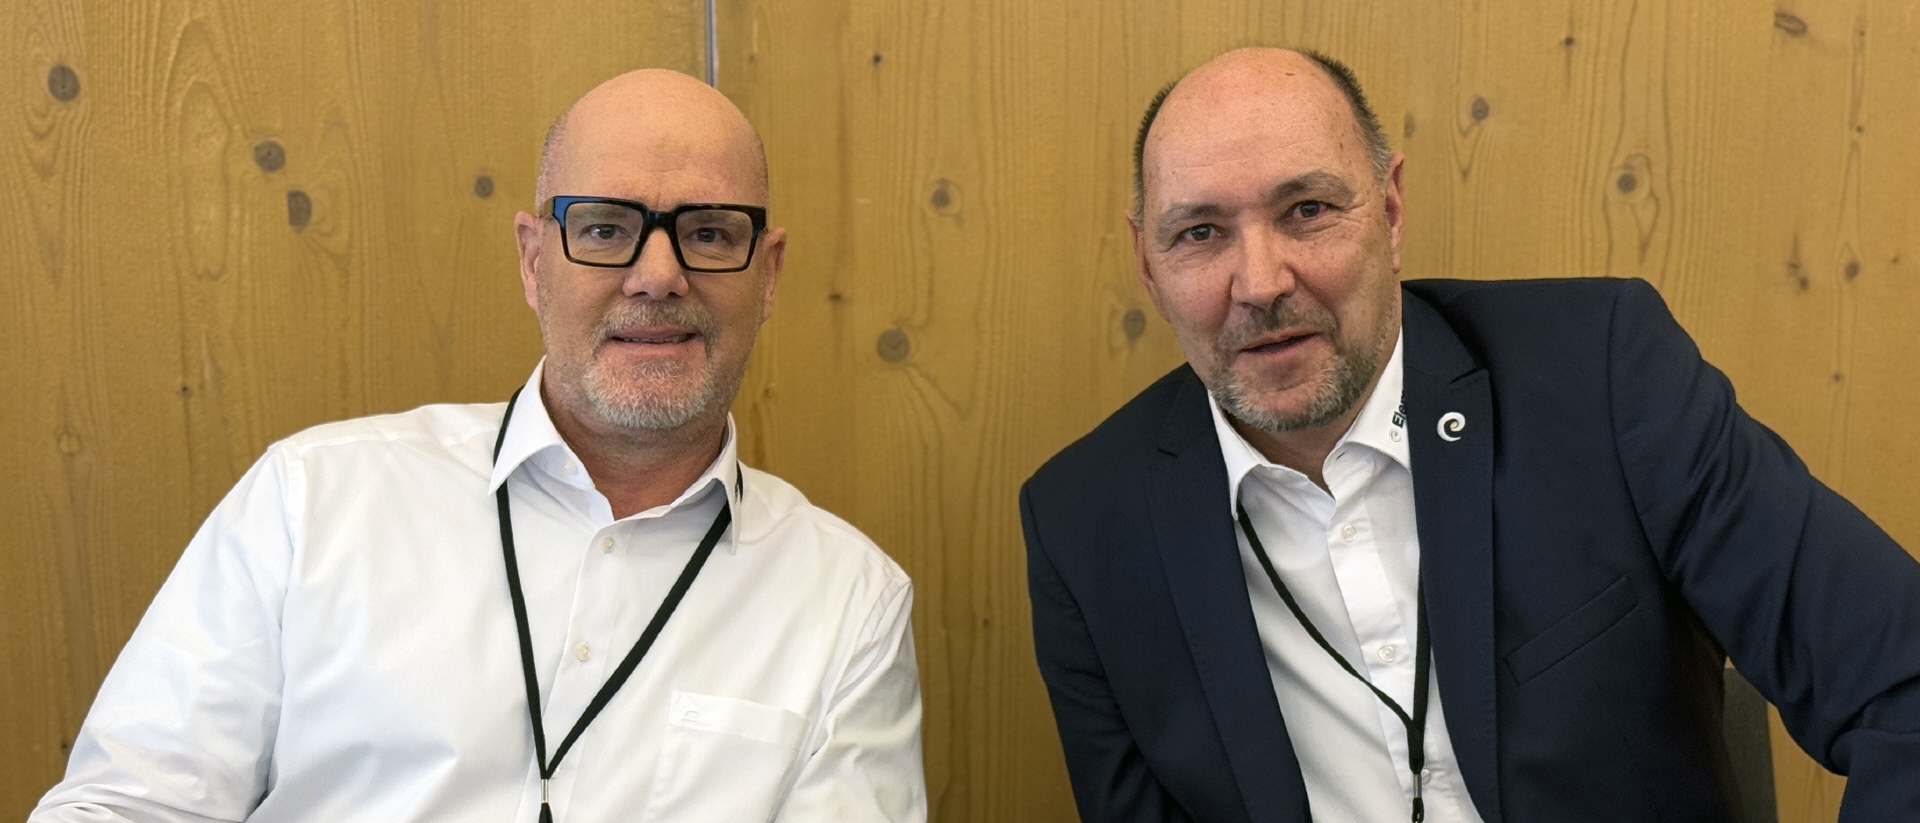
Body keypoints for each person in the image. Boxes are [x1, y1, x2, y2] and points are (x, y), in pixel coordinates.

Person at [1019, 47, 1920, 822]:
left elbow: (1901, 682)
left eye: (1308, 211)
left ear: (1391, 211)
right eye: (1200, 232)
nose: (1259, 283)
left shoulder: (1599, 377)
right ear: (1149, 265)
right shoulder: (1084, 526)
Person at [33, 70, 925, 823]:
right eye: (605, 228)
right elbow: (118, 805)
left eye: (709, 233)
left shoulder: (851, 604)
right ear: (535, 261)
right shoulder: (311, 500)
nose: (658, 276)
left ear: (767, 276)